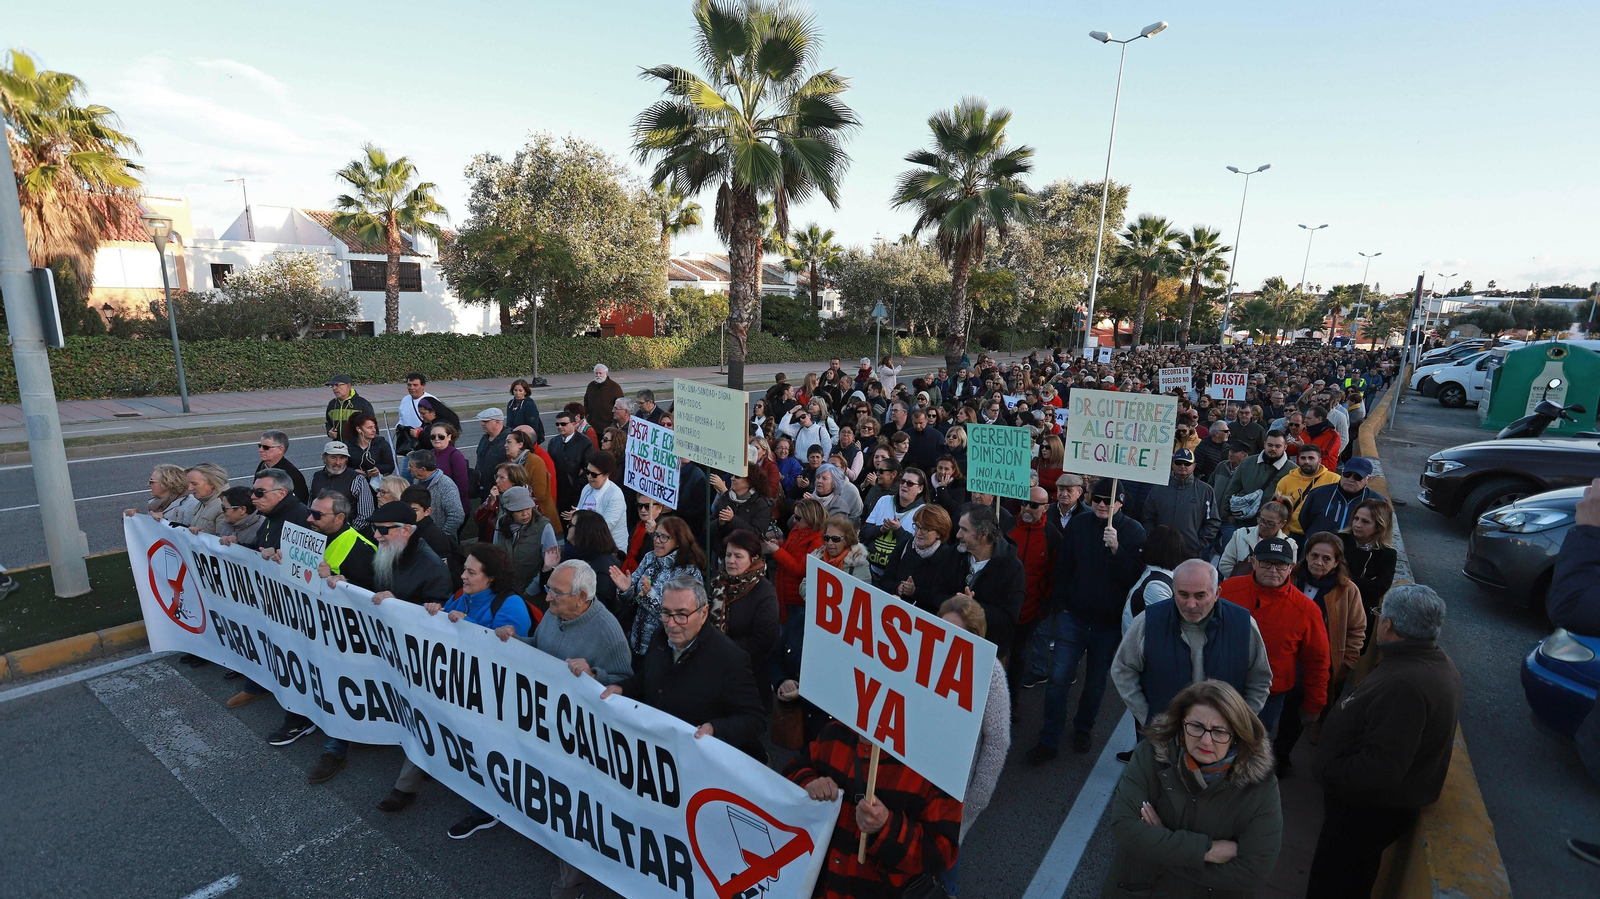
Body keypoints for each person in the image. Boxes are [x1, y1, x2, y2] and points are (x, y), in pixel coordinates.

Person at [1308, 585, 1462, 899]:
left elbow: (1382, 767)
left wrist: (1332, 773)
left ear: (1388, 625)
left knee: (1336, 884)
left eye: (1379, 615)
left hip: (1363, 813)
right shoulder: (1427, 662)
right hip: (1371, 809)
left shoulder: (1407, 683)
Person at [388, 543, 533, 836]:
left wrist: (471, 631)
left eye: (471, 572)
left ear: (490, 578)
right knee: (426, 723)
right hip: (454, 688)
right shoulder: (461, 597)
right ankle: (405, 787)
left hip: (488, 699)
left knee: (481, 750)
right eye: (464, 569)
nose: (463, 576)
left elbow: (514, 659)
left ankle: (483, 811)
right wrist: (432, 612)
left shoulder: (510, 605)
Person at [1104, 680, 1283, 899]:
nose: (1206, 741)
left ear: (1236, 734)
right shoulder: (1150, 756)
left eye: (1219, 731)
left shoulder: (1261, 787)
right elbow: (1125, 827)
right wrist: (1206, 851)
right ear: (1181, 724)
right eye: (1196, 727)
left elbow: (1251, 872)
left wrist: (1160, 844)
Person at [1029, 478, 1147, 760]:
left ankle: (1083, 728)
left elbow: (1135, 578)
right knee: (1058, 679)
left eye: (1108, 500)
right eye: (1097, 499)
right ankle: (1049, 737)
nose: (1101, 505)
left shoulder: (1134, 531)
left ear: (1121, 502)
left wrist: (1117, 550)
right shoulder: (1080, 526)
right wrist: (1062, 605)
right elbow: (1064, 566)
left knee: (1095, 682)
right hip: (1074, 617)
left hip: (1107, 624)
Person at [786, 720, 960, 899]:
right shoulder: (835, 731)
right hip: (820, 887)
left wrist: (886, 827)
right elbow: (794, 770)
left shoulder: (935, 765)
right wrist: (809, 784)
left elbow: (943, 853)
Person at [601, 577, 767, 759]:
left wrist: (715, 729)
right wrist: (623, 688)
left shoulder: (729, 658)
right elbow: (649, 678)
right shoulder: (660, 637)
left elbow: (755, 719)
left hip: (699, 762)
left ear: (704, 614)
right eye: (666, 613)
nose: (671, 624)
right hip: (660, 752)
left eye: (682, 615)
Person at [1112, 560, 1273, 734]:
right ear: (1173, 590)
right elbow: (1122, 670)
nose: (1190, 604)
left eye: (1200, 596)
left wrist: (1238, 724)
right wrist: (1149, 719)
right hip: (1163, 736)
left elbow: (1260, 679)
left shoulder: (1243, 625)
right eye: (1183, 594)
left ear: (1217, 593)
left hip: (1221, 740)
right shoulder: (1148, 622)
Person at [1219, 536, 1330, 735]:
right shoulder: (1226, 591)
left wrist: (1314, 703)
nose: (1273, 570)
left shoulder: (1307, 611)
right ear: (1253, 562)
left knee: (1254, 747)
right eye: (1266, 563)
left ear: (1291, 567)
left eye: (1280, 565)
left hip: (1269, 699)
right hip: (1222, 688)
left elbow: (1317, 661)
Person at [939, 596, 1011, 897]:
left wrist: (975, 800)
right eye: (941, 629)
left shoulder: (990, 673)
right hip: (917, 782)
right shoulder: (923, 655)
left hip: (956, 791)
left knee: (943, 860)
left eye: (956, 633)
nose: (946, 638)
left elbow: (997, 741)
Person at [1275, 532, 1367, 766]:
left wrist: (1347, 663)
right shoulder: (1289, 578)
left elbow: (1357, 630)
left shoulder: (1347, 591)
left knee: (1294, 714)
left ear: (1337, 562)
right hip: (1280, 655)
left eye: (1327, 558)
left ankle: (1281, 756)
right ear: (1306, 556)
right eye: (1314, 555)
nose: (1319, 562)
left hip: (1314, 664)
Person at [609, 515, 706, 656]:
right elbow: (633, 600)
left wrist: (649, 594)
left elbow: (678, 616)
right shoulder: (649, 557)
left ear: (679, 541)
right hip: (636, 641)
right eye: (656, 535)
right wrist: (627, 589)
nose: (657, 541)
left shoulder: (688, 571)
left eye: (664, 537)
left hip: (663, 647)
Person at [709, 529, 781, 708]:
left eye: (738, 556)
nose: (731, 561)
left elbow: (764, 640)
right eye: (728, 555)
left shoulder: (764, 592)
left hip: (748, 678)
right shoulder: (718, 582)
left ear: (753, 559)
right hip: (714, 674)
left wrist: (721, 649)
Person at [955, 504, 1026, 659]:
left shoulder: (1012, 568)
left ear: (983, 534)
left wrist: (974, 608)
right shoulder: (955, 555)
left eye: (964, 530)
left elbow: (1009, 617)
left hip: (988, 652)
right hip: (953, 642)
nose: (958, 534)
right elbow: (938, 592)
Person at [1007, 485, 1054, 695]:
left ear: (1045, 508)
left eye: (1033, 505)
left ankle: (1012, 701)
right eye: (1024, 502)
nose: (1026, 508)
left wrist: (1042, 610)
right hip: (1001, 607)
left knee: (1017, 657)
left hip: (1029, 611)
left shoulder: (1051, 536)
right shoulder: (1006, 526)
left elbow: (1053, 577)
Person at [877, 503, 961, 616]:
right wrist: (898, 588)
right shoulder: (904, 546)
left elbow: (944, 600)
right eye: (917, 526)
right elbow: (885, 580)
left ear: (939, 533)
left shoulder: (949, 558)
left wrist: (915, 592)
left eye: (925, 529)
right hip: (895, 613)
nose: (918, 532)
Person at [1142, 449, 1221, 559]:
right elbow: (1148, 516)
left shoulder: (1205, 491)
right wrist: (1152, 538)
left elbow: (1212, 521)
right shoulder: (1159, 487)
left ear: (1194, 466)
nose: (1182, 466)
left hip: (1190, 553)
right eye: (1178, 462)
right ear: (1172, 464)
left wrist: (1198, 544)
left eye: (1187, 463)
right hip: (1160, 551)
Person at [1340, 498, 1398, 637]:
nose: (1357, 525)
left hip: (1361, 613)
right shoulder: (1339, 541)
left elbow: (1378, 588)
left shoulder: (1387, 554)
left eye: (1365, 522)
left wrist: (1343, 578)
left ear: (1379, 526)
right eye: (1356, 519)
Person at [861, 465, 926, 579]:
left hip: (896, 576)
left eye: (910, 483)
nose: (904, 485)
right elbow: (865, 531)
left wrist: (898, 530)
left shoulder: (923, 511)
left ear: (920, 488)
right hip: (870, 569)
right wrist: (881, 529)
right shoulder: (884, 500)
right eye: (902, 481)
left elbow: (918, 546)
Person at [1219, 430, 1290, 533]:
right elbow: (1232, 488)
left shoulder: (1291, 470)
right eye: (1270, 445)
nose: (1273, 449)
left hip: (1272, 523)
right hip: (1244, 519)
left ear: (1285, 447)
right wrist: (1229, 512)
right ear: (1264, 444)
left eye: (1277, 446)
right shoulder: (1248, 462)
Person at [494, 485, 557, 601]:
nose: (525, 514)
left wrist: (529, 592)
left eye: (528, 508)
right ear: (509, 511)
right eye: (518, 510)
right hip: (505, 591)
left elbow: (551, 564)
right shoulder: (501, 523)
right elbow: (495, 555)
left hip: (532, 595)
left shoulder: (544, 527)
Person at [1298, 456, 1381, 541]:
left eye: (1357, 477)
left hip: (1353, 551)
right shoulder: (1318, 493)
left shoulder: (1376, 502)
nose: (1350, 479)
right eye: (1347, 474)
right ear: (1342, 472)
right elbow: (1304, 519)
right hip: (1317, 548)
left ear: (1368, 479)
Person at [768, 497, 825, 615]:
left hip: (797, 600)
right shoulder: (798, 529)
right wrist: (780, 546)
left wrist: (778, 552)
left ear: (810, 518)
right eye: (794, 516)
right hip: (785, 592)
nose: (794, 521)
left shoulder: (817, 540)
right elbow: (792, 553)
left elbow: (801, 570)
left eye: (798, 518)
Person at [400, 485, 464, 588]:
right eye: (405, 509)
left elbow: (443, 573)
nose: (409, 514)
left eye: (414, 510)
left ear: (427, 511)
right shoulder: (408, 529)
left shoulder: (436, 538)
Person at [709, 463, 774, 562]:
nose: (732, 479)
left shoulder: (761, 503)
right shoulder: (726, 497)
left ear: (750, 482)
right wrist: (719, 523)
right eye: (732, 475)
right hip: (722, 555)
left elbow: (757, 534)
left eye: (737, 476)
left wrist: (733, 519)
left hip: (747, 558)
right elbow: (707, 527)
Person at [1217, 500, 1295, 580]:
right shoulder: (1240, 534)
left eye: (1270, 523)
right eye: (1261, 520)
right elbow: (1224, 564)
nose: (1263, 525)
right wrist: (1248, 582)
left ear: (1282, 524)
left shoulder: (1290, 544)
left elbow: (1288, 574)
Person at [309, 441, 376, 531]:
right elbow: (310, 506)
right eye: (333, 458)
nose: (338, 462)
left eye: (342, 458)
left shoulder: (357, 479)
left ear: (347, 459)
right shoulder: (316, 477)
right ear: (324, 457)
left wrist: (349, 532)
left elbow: (365, 515)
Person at [571, 450, 628, 551]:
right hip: (588, 544)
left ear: (606, 475)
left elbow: (605, 528)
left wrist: (580, 520)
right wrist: (577, 514)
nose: (589, 477)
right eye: (587, 472)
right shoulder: (587, 488)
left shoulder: (615, 495)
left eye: (594, 474)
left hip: (610, 549)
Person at [546, 408, 593, 520]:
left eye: (563, 424)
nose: (559, 427)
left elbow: (589, 469)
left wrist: (576, 486)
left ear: (573, 424)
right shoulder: (553, 442)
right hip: (558, 491)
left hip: (576, 494)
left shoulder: (584, 442)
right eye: (557, 424)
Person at [405, 450, 465, 536]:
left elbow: (457, 516)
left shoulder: (446, 485)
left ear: (422, 470)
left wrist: (441, 536)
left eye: (411, 466)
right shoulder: (417, 481)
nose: (408, 468)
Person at [808, 513, 872, 583]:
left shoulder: (858, 563)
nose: (829, 543)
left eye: (835, 539)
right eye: (826, 537)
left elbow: (861, 592)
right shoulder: (817, 557)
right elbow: (805, 584)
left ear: (847, 540)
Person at [425, 422, 471, 512]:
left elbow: (462, 486)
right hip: (434, 506)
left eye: (441, 436)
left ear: (449, 437)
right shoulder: (429, 454)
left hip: (454, 506)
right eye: (433, 437)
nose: (436, 439)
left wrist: (449, 503)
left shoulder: (455, 455)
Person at [255, 429, 308, 503]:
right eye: (259, 446)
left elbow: (300, 501)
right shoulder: (262, 465)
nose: (260, 450)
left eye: (266, 447)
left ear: (280, 449)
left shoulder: (292, 474)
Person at [323, 373, 376, 444]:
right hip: (339, 447)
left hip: (357, 447)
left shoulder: (362, 404)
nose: (334, 388)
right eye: (332, 386)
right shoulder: (332, 404)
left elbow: (372, 427)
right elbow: (329, 423)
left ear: (348, 386)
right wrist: (329, 431)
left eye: (337, 385)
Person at [473, 407, 510, 504]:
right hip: (483, 489)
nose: (482, 423)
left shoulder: (508, 441)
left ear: (497, 422)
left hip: (499, 491)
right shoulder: (484, 438)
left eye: (486, 421)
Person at [347, 413, 396, 485]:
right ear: (359, 429)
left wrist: (378, 469)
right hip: (355, 483)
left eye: (374, 427)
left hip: (378, 484)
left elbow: (390, 465)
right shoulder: (348, 446)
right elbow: (343, 466)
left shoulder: (382, 444)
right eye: (369, 427)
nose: (374, 430)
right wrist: (353, 471)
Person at [183, 463, 230, 537]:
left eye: (194, 484)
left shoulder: (224, 506)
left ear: (212, 483)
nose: (190, 488)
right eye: (188, 484)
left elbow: (223, 541)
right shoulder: (204, 501)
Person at [395, 372, 434, 455]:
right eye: (409, 385)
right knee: (407, 467)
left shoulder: (431, 400)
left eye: (415, 385)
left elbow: (437, 423)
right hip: (409, 444)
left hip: (425, 445)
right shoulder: (405, 399)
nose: (411, 388)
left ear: (423, 386)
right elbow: (401, 418)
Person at [504, 378, 544, 443]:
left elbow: (533, 426)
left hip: (525, 438)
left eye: (520, 390)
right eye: (515, 390)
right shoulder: (510, 404)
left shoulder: (529, 404)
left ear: (525, 392)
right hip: (513, 436)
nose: (517, 393)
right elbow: (508, 423)